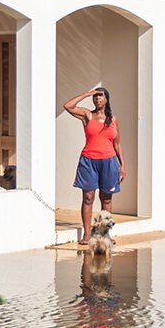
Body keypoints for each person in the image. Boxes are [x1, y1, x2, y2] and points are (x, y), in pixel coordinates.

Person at [64, 86, 125, 245]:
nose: (97, 98)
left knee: (106, 198)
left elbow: (117, 144)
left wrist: (122, 165)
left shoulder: (113, 119)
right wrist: (87, 93)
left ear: (106, 99)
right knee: (88, 198)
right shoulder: (87, 115)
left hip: (109, 161)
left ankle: (104, 234)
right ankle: (87, 234)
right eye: (95, 96)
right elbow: (68, 106)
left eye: (100, 96)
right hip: (88, 161)